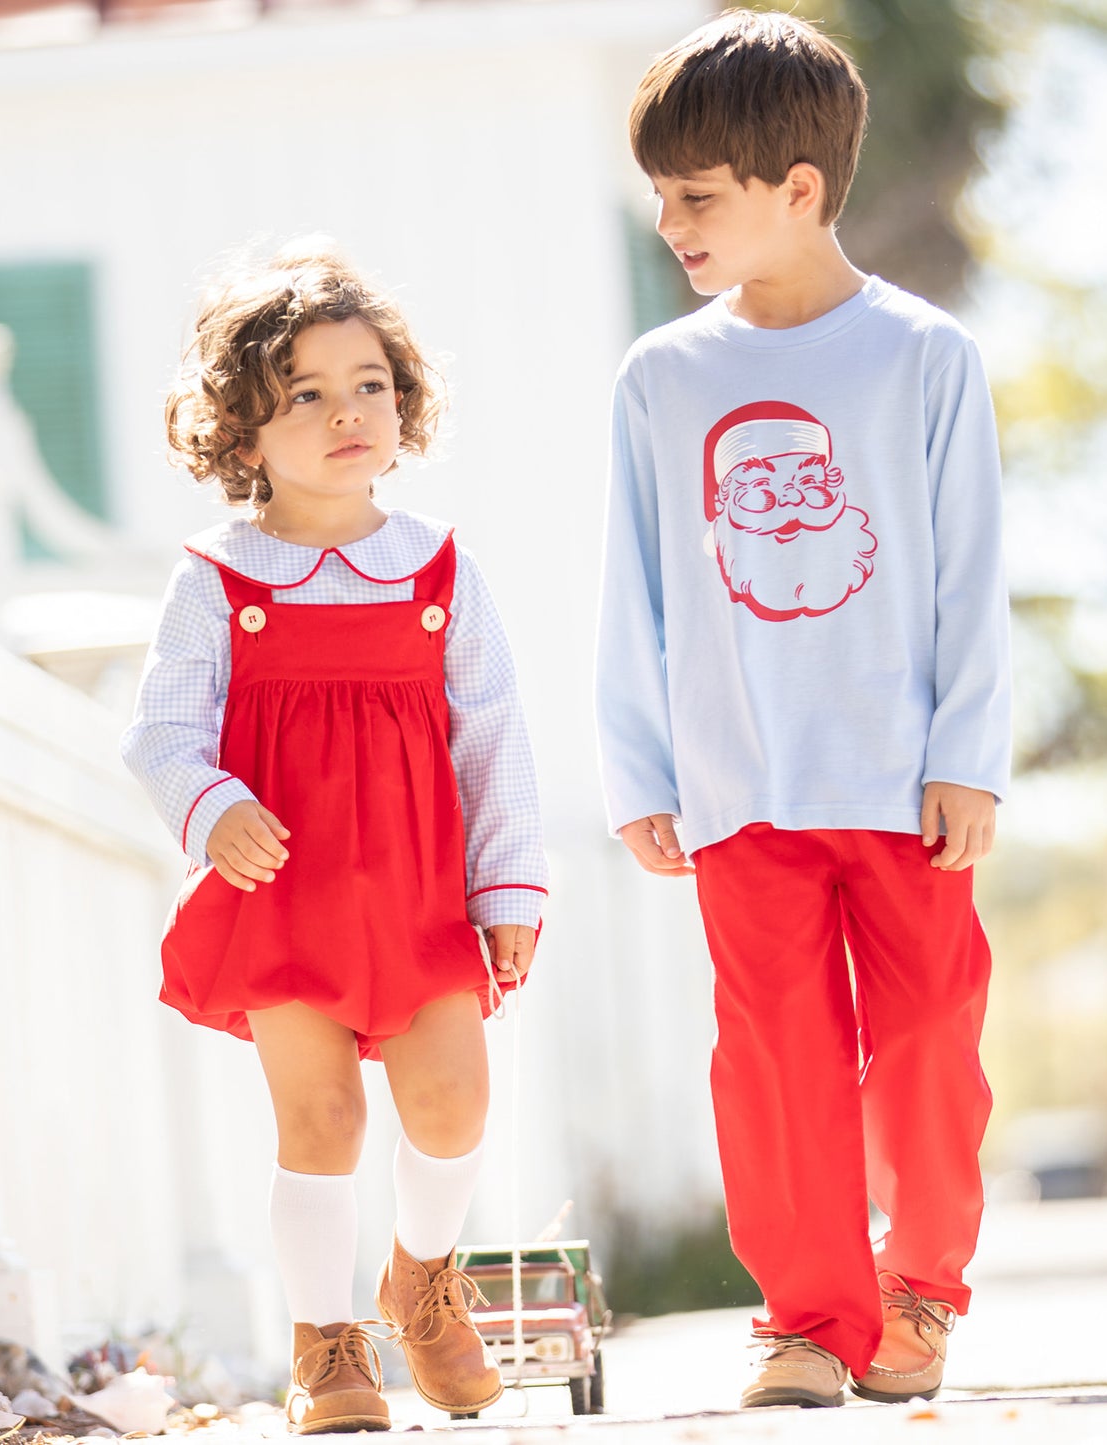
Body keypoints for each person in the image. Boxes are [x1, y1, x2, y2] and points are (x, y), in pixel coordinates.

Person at [595, 9, 1011, 1412]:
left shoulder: (922, 356)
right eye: (659, 195)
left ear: (799, 191)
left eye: (696, 196)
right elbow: (635, 590)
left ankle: (919, 1285)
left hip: (902, 782)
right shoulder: (660, 379)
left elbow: (969, 575)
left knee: (929, 1045)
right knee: (773, 1059)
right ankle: (804, 1319)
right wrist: (640, 768)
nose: (669, 221)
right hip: (739, 785)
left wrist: (969, 756)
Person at [123, 240, 547, 1434]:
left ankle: (419, 1275)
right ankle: (325, 1343)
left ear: (403, 402)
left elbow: (494, 734)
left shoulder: (438, 568)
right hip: (287, 896)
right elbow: (158, 729)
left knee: (453, 1104)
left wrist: (506, 886)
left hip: (419, 889)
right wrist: (212, 807)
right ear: (240, 432)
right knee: (321, 1120)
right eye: (301, 393)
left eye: (366, 382)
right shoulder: (216, 578)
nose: (343, 411)